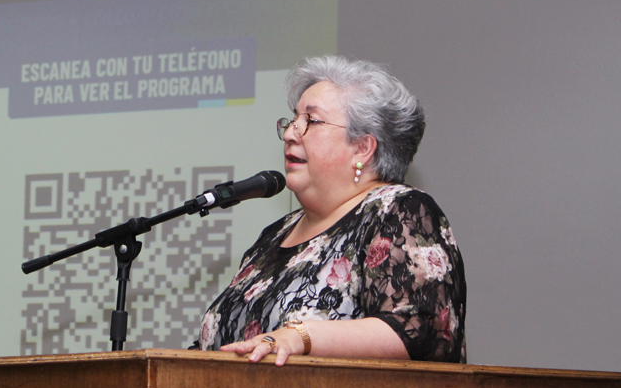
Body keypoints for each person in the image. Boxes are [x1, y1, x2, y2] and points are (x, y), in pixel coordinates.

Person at [193, 55, 466, 365]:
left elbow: (421, 330)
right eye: (293, 120)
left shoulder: (399, 211)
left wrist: (300, 336)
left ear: (362, 147)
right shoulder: (274, 235)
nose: (290, 133)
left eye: (311, 121)